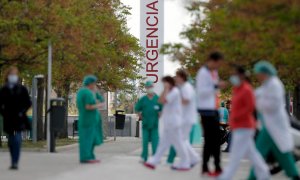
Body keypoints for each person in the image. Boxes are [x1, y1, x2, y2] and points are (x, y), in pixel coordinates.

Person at [248, 61, 300, 179]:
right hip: (269, 126)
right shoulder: (267, 84)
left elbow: (273, 105)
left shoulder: (275, 84)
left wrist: (257, 103)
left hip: (273, 126)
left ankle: (252, 177)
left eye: (258, 73)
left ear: (265, 73)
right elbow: (256, 94)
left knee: (260, 153)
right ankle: (294, 175)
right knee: (282, 154)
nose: (257, 76)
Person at [218, 66, 270, 180]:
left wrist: (236, 116)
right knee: (252, 153)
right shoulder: (237, 89)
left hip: (245, 125)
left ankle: (226, 176)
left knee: (236, 154)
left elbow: (250, 107)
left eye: (234, 74)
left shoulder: (247, 89)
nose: (232, 77)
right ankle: (264, 174)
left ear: (241, 75)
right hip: (239, 126)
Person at [144, 76, 190, 171]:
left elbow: (163, 100)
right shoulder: (169, 91)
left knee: (178, 143)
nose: (164, 85)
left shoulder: (175, 92)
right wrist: (165, 89)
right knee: (164, 143)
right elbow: (159, 100)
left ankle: (185, 162)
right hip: (169, 122)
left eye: (165, 83)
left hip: (174, 122)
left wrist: (165, 89)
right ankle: (154, 161)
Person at [196, 51, 226, 176]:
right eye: (218, 63)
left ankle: (214, 166)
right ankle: (208, 166)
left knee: (215, 139)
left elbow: (215, 89)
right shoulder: (203, 73)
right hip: (205, 110)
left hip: (215, 109)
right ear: (213, 61)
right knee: (210, 140)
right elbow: (201, 91)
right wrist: (215, 86)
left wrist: (217, 87)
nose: (218, 66)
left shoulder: (214, 72)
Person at [166, 69, 200, 167]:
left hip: (186, 119)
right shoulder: (185, 87)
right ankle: (193, 158)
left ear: (181, 77)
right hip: (186, 118)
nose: (176, 78)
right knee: (182, 140)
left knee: (180, 140)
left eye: (177, 76)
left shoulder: (186, 87)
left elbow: (186, 100)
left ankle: (185, 161)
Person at [0, 66, 32, 170]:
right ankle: (13, 158)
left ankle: (15, 162)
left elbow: (28, 102)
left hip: (19, 118)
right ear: (8, 76)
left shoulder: (22, 89)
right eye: (11, 74)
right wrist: (4, 113)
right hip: (9, 119)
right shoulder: (4, 89)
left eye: (15, 74)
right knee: (11, 141)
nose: (13, 76)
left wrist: (22, 111)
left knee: (17, 139)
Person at [76, 75, 105, 164]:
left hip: (88, 120)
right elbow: (88, 106)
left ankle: (90, 156)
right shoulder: (87, 93)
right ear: (91, 83)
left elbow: (101, 99)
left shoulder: (84, 92)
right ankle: (86, 157)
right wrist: (98, 105)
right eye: (94, 83)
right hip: (88, 120)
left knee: (90, 139)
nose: (95, 85)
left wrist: (96, 93)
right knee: (87, 139)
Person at [135, 81, 162, 162]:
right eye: (147, 87)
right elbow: (137, 109)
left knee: (155, 142)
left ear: (153, 87)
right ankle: (144, 157)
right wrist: (140, 115)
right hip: (145, 124)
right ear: (146, 88)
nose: (149, 88)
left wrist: (160, 114)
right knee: (145, 141)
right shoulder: (143, 99)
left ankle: (156, 157)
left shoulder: (157, 98)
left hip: (154, 124)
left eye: (150, 87)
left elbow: (162, 109)